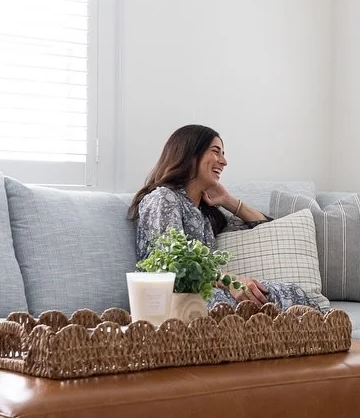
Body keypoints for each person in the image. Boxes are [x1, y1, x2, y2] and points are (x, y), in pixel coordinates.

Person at [128, 124, 321, 311]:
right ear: (190, 154)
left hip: (208, 295)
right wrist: (230, 280)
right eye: (216, 151)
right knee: (240, 304)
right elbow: (171, 264)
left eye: (223, 153)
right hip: (173, 300)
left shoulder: (206, 214)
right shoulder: (163, 198)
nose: (224, 161)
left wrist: (228, 200)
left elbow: (264, 227)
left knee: (292, 294)